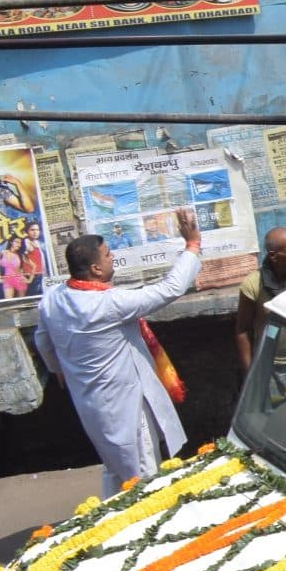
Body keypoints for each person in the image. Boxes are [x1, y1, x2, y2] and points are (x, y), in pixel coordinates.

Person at [33, 212, 202, 497]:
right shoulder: (108, 303)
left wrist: (58, 370)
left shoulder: (53, 299)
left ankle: (118, 515)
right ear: (96, 269)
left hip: (89, 401)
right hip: (126, 403)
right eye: (108, 255)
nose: (113, 258)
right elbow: (170, 289)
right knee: (142, 470)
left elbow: (43, 341)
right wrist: (192, 245)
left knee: (115, 467)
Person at [234, 225, 286, 375]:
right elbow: (242, 331)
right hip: (270, 366)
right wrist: (251, 375)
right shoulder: (253, 285)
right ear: (273, 256)